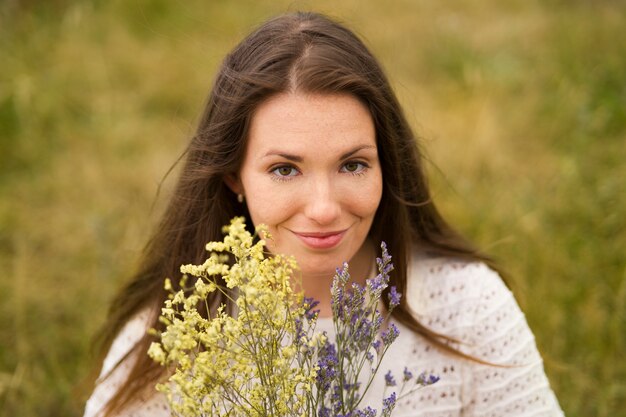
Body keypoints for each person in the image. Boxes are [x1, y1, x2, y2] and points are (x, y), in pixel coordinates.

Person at [83, 11, 564, 417]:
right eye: (285, 169)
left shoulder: (467, 306)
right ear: (235, 177)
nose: (324, 208)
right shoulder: (172, 343)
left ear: (385, 165)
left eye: (353, 165)